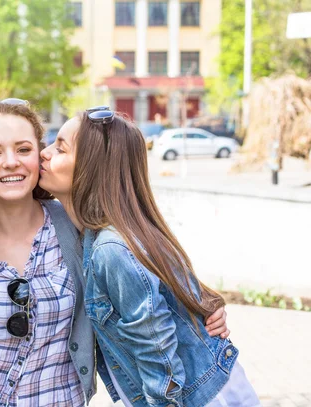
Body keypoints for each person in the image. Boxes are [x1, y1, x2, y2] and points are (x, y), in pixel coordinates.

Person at [0, 100, 230, 407]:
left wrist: (201, 304)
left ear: (39, 153)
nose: (11, 162)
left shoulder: (82, 233)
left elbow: (143, 268)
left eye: (24, 149)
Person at [39, 108, 260, 407]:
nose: (45, 153)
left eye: (60, 148)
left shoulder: (111, 249)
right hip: (211, 388)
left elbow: (157, 354)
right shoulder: (114, 233)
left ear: (91, 168)